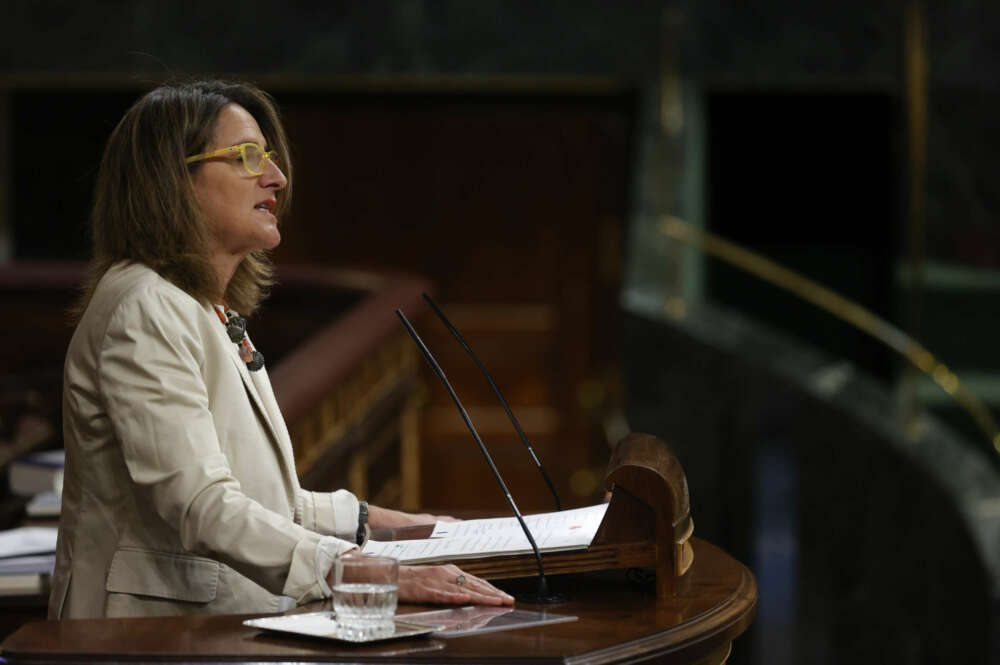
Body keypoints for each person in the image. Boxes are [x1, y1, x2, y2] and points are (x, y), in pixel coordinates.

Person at [49, 80, 514, 618]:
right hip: (141, 639)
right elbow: (202, 506)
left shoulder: (198, 304)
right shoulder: (145, 308)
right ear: (173, 180)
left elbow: (260, 497)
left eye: (269, 157)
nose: (277, 178)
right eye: (247, 156)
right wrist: (365, 569)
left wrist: (380, 523)